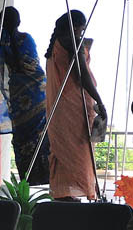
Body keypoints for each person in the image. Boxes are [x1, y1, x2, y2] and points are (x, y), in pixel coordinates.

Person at [0, 0, 50, 184]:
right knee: (42, 133)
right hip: (38, 91)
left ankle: (29, 176)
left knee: (22, 135)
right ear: (19, 21)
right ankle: (46, 173)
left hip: (18, 93)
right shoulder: (26, 38)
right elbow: (34, 64)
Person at [43, 10, 106, 201]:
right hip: (74, 106)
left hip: (58, 107)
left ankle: (65, 193)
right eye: (82, 26)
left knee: (63, 151)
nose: (83, 30)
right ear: (76, 26)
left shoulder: (55, 44)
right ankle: (75, 191)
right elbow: (82, 75)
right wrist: (100, 100)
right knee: (80, 151)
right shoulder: (73, 42)